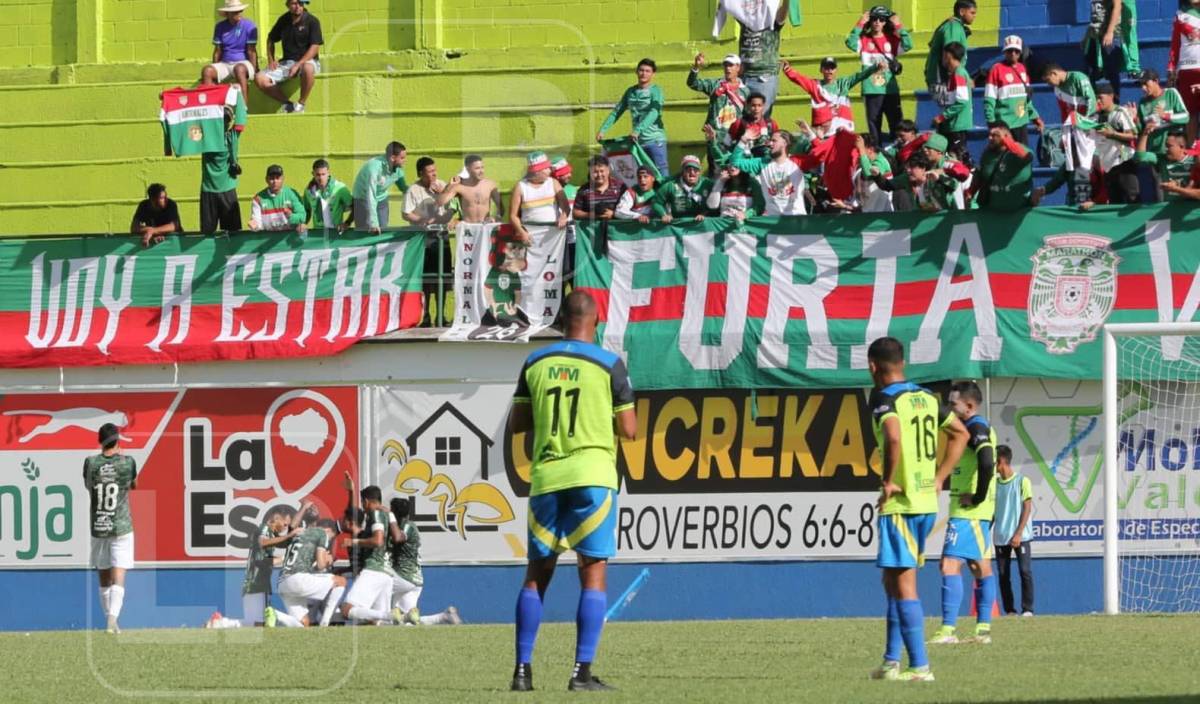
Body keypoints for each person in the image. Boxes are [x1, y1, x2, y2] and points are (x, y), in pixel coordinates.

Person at [508, 290, 638, 692]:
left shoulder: (535, 360)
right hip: (594, 475)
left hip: (547, 476)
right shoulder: (610, 364)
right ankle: (581, 673)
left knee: (536, 576)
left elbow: (518, 424)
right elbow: (629, 431)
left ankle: (522, 672)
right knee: (592, 573)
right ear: (596, 321)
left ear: (560, 320)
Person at [867, 337, 968, 682]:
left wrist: (888, 480)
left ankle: (920, 667)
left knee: (904, 584)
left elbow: (893, 437)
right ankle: (891, 661)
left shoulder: (883, 397)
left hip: (902, 503)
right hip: (926, 503)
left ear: (872, 367)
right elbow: (960, 434)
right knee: (893, 579)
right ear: (903, 363)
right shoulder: (927, 398)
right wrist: (940, 477)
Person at [930, 381, 998, 646]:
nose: (950, 409)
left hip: (970, 510)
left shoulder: (975, 426)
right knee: (979, 565)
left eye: (954, 404)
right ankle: (982, 629)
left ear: (969, 406)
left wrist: (979, 495)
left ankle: (948, 630)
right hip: (974, 510)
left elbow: (987, 460)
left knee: (949, 564)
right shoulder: (968, 427)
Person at [207, 506, 300, 629]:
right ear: (276, 519)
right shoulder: (264, 528)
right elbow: (262, 543)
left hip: (260, 584)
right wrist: (287, 542)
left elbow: (267, 559)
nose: (285, 528)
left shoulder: (271, 535)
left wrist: (285, 555)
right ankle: (221, 622)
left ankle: (220, 622)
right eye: (285, 524)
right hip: (254, 583)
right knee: (259, 623)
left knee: (258, 623)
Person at [84, 422, 137, 634]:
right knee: (119, 573)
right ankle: (112, 620)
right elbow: (133, 485)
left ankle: (110, 619)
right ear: (118, 440)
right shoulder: (127, 462)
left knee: (104, 575)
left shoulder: (90, 463)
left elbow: (89, 486)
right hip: (121, 526)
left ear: (99, 441)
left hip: (98, 525)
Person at [387, 497, 462, 626]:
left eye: (391, 511)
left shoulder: (408, 526)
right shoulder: (400, 527)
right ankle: (444, 617)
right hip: (415, 580)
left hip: (405, 577)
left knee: (377, 583)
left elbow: (398, 538)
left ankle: (358, 616)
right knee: (405, 623)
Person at [846, 7, 912, 143]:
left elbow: (908, 44)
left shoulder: (892, 39)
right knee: (874, 128)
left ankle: (897, 156)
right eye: (874, 19)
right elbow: (850, 43)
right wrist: (860, 23)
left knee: (896, 126)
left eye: (881, 19)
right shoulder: (864, 40)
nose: (877, 22)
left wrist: (899, 25)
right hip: (871, 90)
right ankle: (878, 157)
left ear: (885, 23)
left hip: (890, 89)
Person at [269, 511, 346, 628]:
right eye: (330, 537)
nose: (329, 540)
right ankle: (325, 623)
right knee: (341, 581)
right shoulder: (322, 534)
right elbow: (320, 565)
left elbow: (289, 558)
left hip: (282, 583)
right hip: (298, 579)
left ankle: (277, 615)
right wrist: (327, 560)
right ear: (328, 531)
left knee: (304, 623)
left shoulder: (299, 535)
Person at [339, 486, 403, 625]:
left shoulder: (376, 514)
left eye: (363, 503)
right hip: (387, 573)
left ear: (366, 501)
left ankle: (390, 615)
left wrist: (353, 541)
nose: (363, 507)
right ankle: (394, 617)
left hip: (374, 568)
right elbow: (397, 537)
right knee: (376, 624)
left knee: (346, 609)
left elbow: (378, 540)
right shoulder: (388, 515)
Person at [596, 59, 669, 178]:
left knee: (661, 175)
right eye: (641, 70)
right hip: (637, 143)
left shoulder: (656, 91)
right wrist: (603, 129)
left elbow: (654, 112)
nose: (644, 73)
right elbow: (617, 111)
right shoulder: (630, 91)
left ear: (653, 74)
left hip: (655, 141)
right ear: (636, 72)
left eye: (647, 71)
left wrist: (638, 130)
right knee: (642, 177)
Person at [403, 157, 453, 327]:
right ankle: (425, 316)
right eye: (429, 172)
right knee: (425, 278)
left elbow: (451, 210)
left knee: (443, 278)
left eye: (434, 171)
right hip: (423, 240)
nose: (434, 174)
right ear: (420, 173)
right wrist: (422, 220)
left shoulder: (442, 186)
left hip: (441, 237)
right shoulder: (413, 190)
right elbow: (406, 213)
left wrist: (441, 195)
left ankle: (441, 315)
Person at [711, 127, 806, 215]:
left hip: (796, 220)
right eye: (770, 141)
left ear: (785, 143)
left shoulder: (797, 162)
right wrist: (743, 140)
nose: (770, 144)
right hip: (773, 222)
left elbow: (818, 158)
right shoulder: (762, 163)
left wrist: (812, 136)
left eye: (774, 141)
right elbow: (735, 162)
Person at [782, 57, 882, 135]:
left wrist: (875, 67)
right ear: (821, 70)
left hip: (844, 130)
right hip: (824, 133)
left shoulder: (844, 83)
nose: (829, 70)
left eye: (832, 68)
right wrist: (788, 70)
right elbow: (800, 79)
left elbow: (860, 76)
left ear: (836, 70)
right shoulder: (815, 85)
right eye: (826, 68)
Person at [722, 0, 789, 116]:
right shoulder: (746, 20)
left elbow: (783, 13)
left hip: (763, 78)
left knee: (760, 118)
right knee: (738, 116)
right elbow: (733, 6)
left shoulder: (772, 22)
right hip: (743, 77)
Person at [257, 0, 323, 114]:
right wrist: (271, 60)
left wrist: (298, 64)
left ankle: (301, 104)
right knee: (259, 78)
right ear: (287, 5)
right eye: (294, 3)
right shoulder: (283, 20)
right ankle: (288, 104)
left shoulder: (312, 21)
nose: (298, 6)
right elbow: (271, 39)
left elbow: (315, 48)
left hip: (307, 61)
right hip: (287, 63)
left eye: (300, 3)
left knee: (308, 68)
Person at [688, 53, 751, 173]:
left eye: (731, 65)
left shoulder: (745, 90)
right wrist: (696, 68)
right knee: (716, 171)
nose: (728, 68)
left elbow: (747, 115)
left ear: (738, 67)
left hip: (735, 137)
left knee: (736, 169)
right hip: (715, 136)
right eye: (726, 65)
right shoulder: (714, 84)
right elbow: (693, 83)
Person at [991, 445, 1035, 616]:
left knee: (1025, 571)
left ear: (1001, 461)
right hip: (1000, 537)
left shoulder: (1023, 481)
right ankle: (1010, 610)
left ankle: (1028, 609)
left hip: (1021, 536)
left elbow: (1027, 508)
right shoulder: (993, 484)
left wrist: (1018, 533)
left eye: (993, 460)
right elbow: (992, 511)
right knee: (1003, 575)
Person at [983, 35, 1044, 145]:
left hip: (1021, 122)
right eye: (1010, 50)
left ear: (1020, 53)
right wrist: (991, 122)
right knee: (1005, 157)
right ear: (1005, 52)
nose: (1013, 54)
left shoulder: (1022, 69)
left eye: (1016, 51)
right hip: (1004, 125)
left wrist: (1035, 117)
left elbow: (1026, 99)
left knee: (1022, 156)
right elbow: (989, 99)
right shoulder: (996, 69)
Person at [201, 0, 258, 106]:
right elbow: (218, 51)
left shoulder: (249, 26)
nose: (238, 14)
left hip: (243, 63)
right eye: (235, 12)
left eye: (239, 11)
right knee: (207, 71)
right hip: (225, 63)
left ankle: (243, 108)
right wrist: (214, 66)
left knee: (239, 69)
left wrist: (254, 70)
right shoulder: (220, 27)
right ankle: (211, 107)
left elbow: (251, 51)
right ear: (227, 14)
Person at [1082, 0, 1140, 101]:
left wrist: (1110, 32)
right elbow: (1095, 16)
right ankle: (1095, 104)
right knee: (1091, 70)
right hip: (1095, 35)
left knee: (1112, 71)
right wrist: (1086, 36)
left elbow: (1117, 6)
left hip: (1109, 35)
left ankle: (1114, 103)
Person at [1094, 82, 1141, 203]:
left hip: (1124, 163)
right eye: (1096, 97)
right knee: (1115, 202)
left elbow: (1133, 135)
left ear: (1111, 96)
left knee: (1132, 199)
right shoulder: (1095, 117)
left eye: (1100, 97)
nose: (1098, 101)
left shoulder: (1121, 112)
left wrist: (1112, 134)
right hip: (1108, 167)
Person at [509, 151, 570, 244]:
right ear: (537, 171)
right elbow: (513, 216)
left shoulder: (553, 183)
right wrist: (522, 232)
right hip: (530, 236)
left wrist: (563, 217)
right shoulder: (520, 187)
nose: (550, 171)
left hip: (554, 236)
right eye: (546, 168)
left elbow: (565, 207)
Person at [199, 107, 243, 235]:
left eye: (225, 120)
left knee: (232, 233)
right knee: (208, 235)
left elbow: (193, 123)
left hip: (221, 190)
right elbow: (242, 118)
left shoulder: (208, 138)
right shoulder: (208, 138)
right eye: (221, 120)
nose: (223, 123)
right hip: (213, 190)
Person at [974, 123, 1033, 211]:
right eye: (989, 135)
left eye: (994, 135)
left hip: (1018, 212)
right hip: (992, 212)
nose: (989, 138)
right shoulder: (987, 154)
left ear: (1006, 136)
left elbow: (1027, 157)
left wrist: (1006, 140)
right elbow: (981, 175)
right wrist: (970, 192)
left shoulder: (1018, 150)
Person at [932, 42, 974, 166]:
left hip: (957, 125)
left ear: (949, 56)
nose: (943, 58)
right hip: (953, 124)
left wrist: (941, 117)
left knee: (957, 159)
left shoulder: (959, 74)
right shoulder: (956, 74)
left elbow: (961, 102)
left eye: (944, 55)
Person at [352, 142, 408, 234]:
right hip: (363, 199)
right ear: (393, 158)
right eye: (402, 158)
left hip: (382, 198)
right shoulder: (374, 168)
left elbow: (403, 186)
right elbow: (371, 195)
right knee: (366, 231)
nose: (405, 160)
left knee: (383, 230)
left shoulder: (397, 168)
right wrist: (373, 223)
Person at [925, 1, 976, 98]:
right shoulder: (954, 26)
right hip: (943, 80)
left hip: (944, 79)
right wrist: (963, 78)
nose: (974, 16)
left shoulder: (954, 26)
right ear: (961, 11)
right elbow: (950, 55)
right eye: (972, 13)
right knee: (953, 110)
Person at [1133, 130, 1200, 201]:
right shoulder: (1162, 159)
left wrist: (1175, 188)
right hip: (1169, 208)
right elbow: (1139, 157)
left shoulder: (1196, 160)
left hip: (1191, 209)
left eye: (1169, 146)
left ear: (1182, 147)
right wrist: (1145, 133)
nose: (1165, 149)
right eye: (1165, 146)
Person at [1136, 69, 1189, 158]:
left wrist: (1165, 115)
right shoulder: (1142, 102)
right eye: (1141, 85)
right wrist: (1134, 121)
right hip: (1155, 155)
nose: (1143, 88)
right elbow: (1141, 131)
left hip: (1175, 153)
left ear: (1156, 81)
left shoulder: (1171, 93)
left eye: (1145, 83)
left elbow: (1186, 117)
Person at [437, 154, 503, 224]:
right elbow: (440, 202)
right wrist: (449, 186)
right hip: (467, 229)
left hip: (485, 227)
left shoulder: (490, 185)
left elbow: (501, 208)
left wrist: (495, 218)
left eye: (482, 167)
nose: (481, 171)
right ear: (468, 169)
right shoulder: (460, 186)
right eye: (477, 168)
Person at [1169, 0, 1200, 142]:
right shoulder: (1180, 15)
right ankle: (1191, 151)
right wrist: (1171, 67)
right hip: (1186, 70)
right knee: (1190, 113)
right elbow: (1175, 44)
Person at [249, 164, 307, 233]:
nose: (275, 181)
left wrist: (291, 216)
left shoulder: (292, 194)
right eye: (272, 178)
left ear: (282, 179)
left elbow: (302, 216)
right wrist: (255, 226)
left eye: (277, 178)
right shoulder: (258, 199)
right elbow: (257, 223)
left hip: (289, 238)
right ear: (266, 179)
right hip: (269, 237)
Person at [656, 155, 712, 222]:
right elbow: (656, 202)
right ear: (682, 171)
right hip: (677, 224)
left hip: (700, 224)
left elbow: (717, 204)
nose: (692, 172)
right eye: (688, 169)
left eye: (695, 169)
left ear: (699, 172)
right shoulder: (671, 185)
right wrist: (664, 215)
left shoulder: (708, 184)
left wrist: (704, 214)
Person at [303, 159, 353, 232]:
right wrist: (303, 223)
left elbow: (355, 207)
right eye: (318, 174)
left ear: (328, 173)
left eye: (323, 174)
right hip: (317, 233)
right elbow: (306, 210)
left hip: (335, 233)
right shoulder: (308, 191)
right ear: (313, 173)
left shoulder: (340, 188)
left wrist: (347, 223)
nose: (321, 178)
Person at [573, 155, 627, 221]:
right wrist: (592, 215)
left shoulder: (620, 187)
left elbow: (630, 208)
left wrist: (614, 214)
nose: (599, 175)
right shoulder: (584, 190)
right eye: (595, 172)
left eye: (602, 171)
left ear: (608, 170)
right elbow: (575, 212)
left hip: (616, 229)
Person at [726, 93, 779, 158]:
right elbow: (727, 144)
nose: (756, 109)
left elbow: (777, 143)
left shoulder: (771, 124)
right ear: (748, 106)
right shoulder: (738, 123)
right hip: (744, 162)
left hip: (764, 163)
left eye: (759, 105)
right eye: (753, 105)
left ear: (763, 106)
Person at [855, 134, 894, 213]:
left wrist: (861, 150)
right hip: (867, 214)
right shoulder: (861, 165)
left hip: (882, 216)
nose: (857, 154)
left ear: (870, 149)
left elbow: (868, 173)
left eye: (858, 150)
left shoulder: (882, 162)